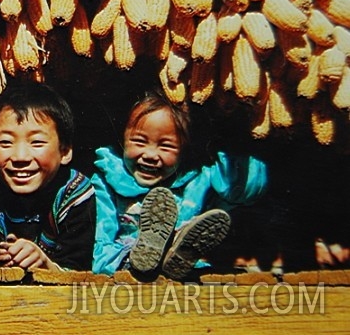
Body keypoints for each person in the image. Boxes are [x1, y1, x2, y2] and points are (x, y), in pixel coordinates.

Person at [91, 91, 268, 279]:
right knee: (133, 261)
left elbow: (245, 188)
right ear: (122, 140)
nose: (151, 155)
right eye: (139, 142)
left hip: (185, 271)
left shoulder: (198, 179)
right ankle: (148, 256)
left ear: (184, 149)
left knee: (192, 260)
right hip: (127, 266)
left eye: (166, 146)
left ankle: (177, 250)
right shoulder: (109, 179)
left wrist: (229, 137)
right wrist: (115, 263)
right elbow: (99, 238)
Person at [0, 83, 96, 272]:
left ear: (65, 151)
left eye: (37, 142)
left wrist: (45, 265)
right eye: (5, 142)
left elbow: (79, 269)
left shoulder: (75, 194)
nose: (20, 157)